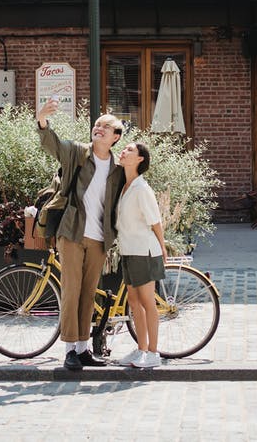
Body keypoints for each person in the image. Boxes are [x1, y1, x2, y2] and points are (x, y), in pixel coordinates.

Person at [36, 98, 125, 371]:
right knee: (71, 290)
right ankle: (69, 350)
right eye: (97, 125)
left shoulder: (118, 168)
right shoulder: (77, 153)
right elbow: (52, 143)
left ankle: (84, 349)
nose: (98, 128)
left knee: (89, 293)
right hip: (73, 232)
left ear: (116, 137)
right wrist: (42, 120)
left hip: (99, 238)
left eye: (105, 127)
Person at [113, 142, 167, 369]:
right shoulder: (125, 186)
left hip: (144, 251)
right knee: (134, 303)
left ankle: (153, 353)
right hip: (128, 250)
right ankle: (141, 349)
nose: (123, 152)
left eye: (129, 150)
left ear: (140, 159)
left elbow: (155, 221)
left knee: (147, 303)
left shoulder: (142, 188)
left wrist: (163, 248)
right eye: (123, 149)